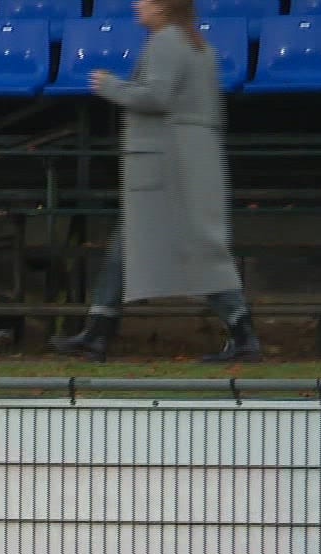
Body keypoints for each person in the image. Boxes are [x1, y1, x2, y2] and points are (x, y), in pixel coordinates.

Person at [50, 0, 261, 365]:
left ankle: (243, 335)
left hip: (170, 160)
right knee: (133, 243)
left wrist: (110, 86)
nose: (138, 6)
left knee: (198, 248)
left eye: (145, 1)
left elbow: (156, 96)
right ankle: (98, 332)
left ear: (163, 7)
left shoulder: (167, 41)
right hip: (188, 155)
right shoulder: (198, 44)